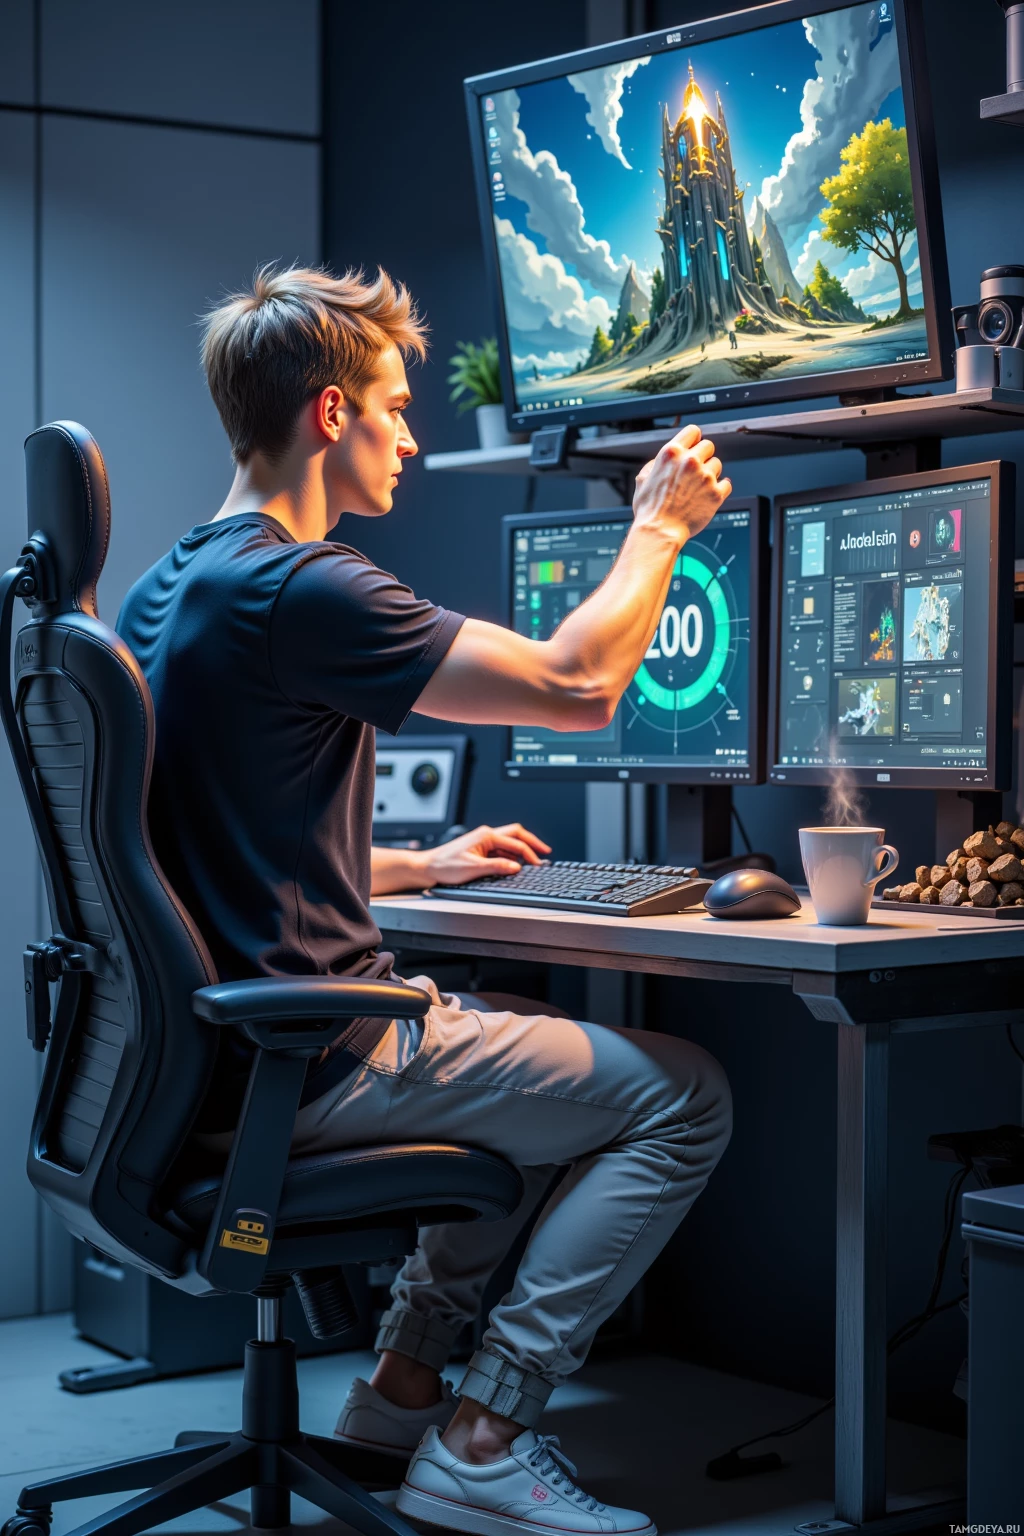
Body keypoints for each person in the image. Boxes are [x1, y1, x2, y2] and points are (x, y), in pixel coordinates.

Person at [118, 265, 733, 1536]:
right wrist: (660, 526)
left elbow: (197, 852)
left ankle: (395, 1402)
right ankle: (486, 1432)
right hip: (310, 1060)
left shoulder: (172, 588)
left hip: (217, 1064)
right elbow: (576, 683)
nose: (414, 435)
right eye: (400, 409)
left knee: (501, 1020)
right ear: (330, 413)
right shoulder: (311, 587)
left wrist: (417, 865)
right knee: (682, 1096)